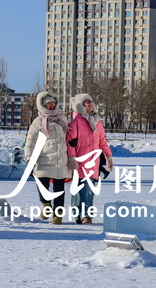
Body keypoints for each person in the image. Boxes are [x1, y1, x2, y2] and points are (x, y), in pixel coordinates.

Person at [66, 93, 113, 224]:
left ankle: (86, 214)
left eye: (91, 102)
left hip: (93, 163)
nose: (90, 104)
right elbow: (70, 142)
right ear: (80, 106)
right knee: (80, 189)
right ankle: (79, 214)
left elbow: (102, 141)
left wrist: (108, 156)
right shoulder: (76, 122)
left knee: (90, 189)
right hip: (80, 162)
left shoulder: (97, 122)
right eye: (87, 102)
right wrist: (72, 158)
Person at [24, 91, 71, 223]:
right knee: (42, 184)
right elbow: (31, 141)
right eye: (48, 104)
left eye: (53, 103)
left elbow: (69, 136)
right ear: (42, 105)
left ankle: (58, 214)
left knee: (59, 189)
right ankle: (46, 205)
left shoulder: (62, 119)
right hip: (44, 158)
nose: (51, 106)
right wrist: (29, 158)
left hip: (60, 159)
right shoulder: (38, 121)